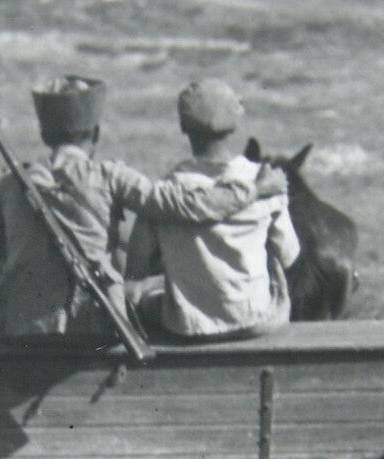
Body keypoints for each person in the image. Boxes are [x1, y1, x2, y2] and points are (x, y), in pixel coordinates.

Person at [0, 75, 286, 340]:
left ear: (44, 134)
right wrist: (255, 189)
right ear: (96, 133)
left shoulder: (12, 183)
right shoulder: (112, 177)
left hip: (23, 329)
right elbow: (191, 205)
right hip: (97, 326)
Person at [126, 79, 300, 340]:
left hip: (188, 327)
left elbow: (136, 269)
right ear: (234, 123)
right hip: (259, 320)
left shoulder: (165, 192)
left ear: (184, 127)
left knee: (148, 298)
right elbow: (288, 255)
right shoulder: (264, 181)